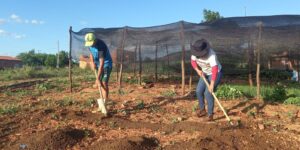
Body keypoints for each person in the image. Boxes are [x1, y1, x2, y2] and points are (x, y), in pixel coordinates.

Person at [191, 39, 222, 121]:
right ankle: (202, 110)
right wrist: (197, 70)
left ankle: (210, 114)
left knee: (208, 93)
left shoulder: (211, 55)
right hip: (204, 73)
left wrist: (212, 84)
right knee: (198, 91)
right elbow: (193, 61)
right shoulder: (195, 53)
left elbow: (214, 69)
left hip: (215, 73)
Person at [85, 33, 113, 106]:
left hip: (106, 64)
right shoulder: (89, 45)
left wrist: (97, 78)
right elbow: (91, 53)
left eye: (92, 43)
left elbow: (102, 63)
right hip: (98, 64)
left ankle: (105, 102)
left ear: (95, 40)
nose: (90, 45)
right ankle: (103, 100)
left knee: (103, 82)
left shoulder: (101, 46)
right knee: (99, 82)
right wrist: (92, 61)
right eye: (89, 44)